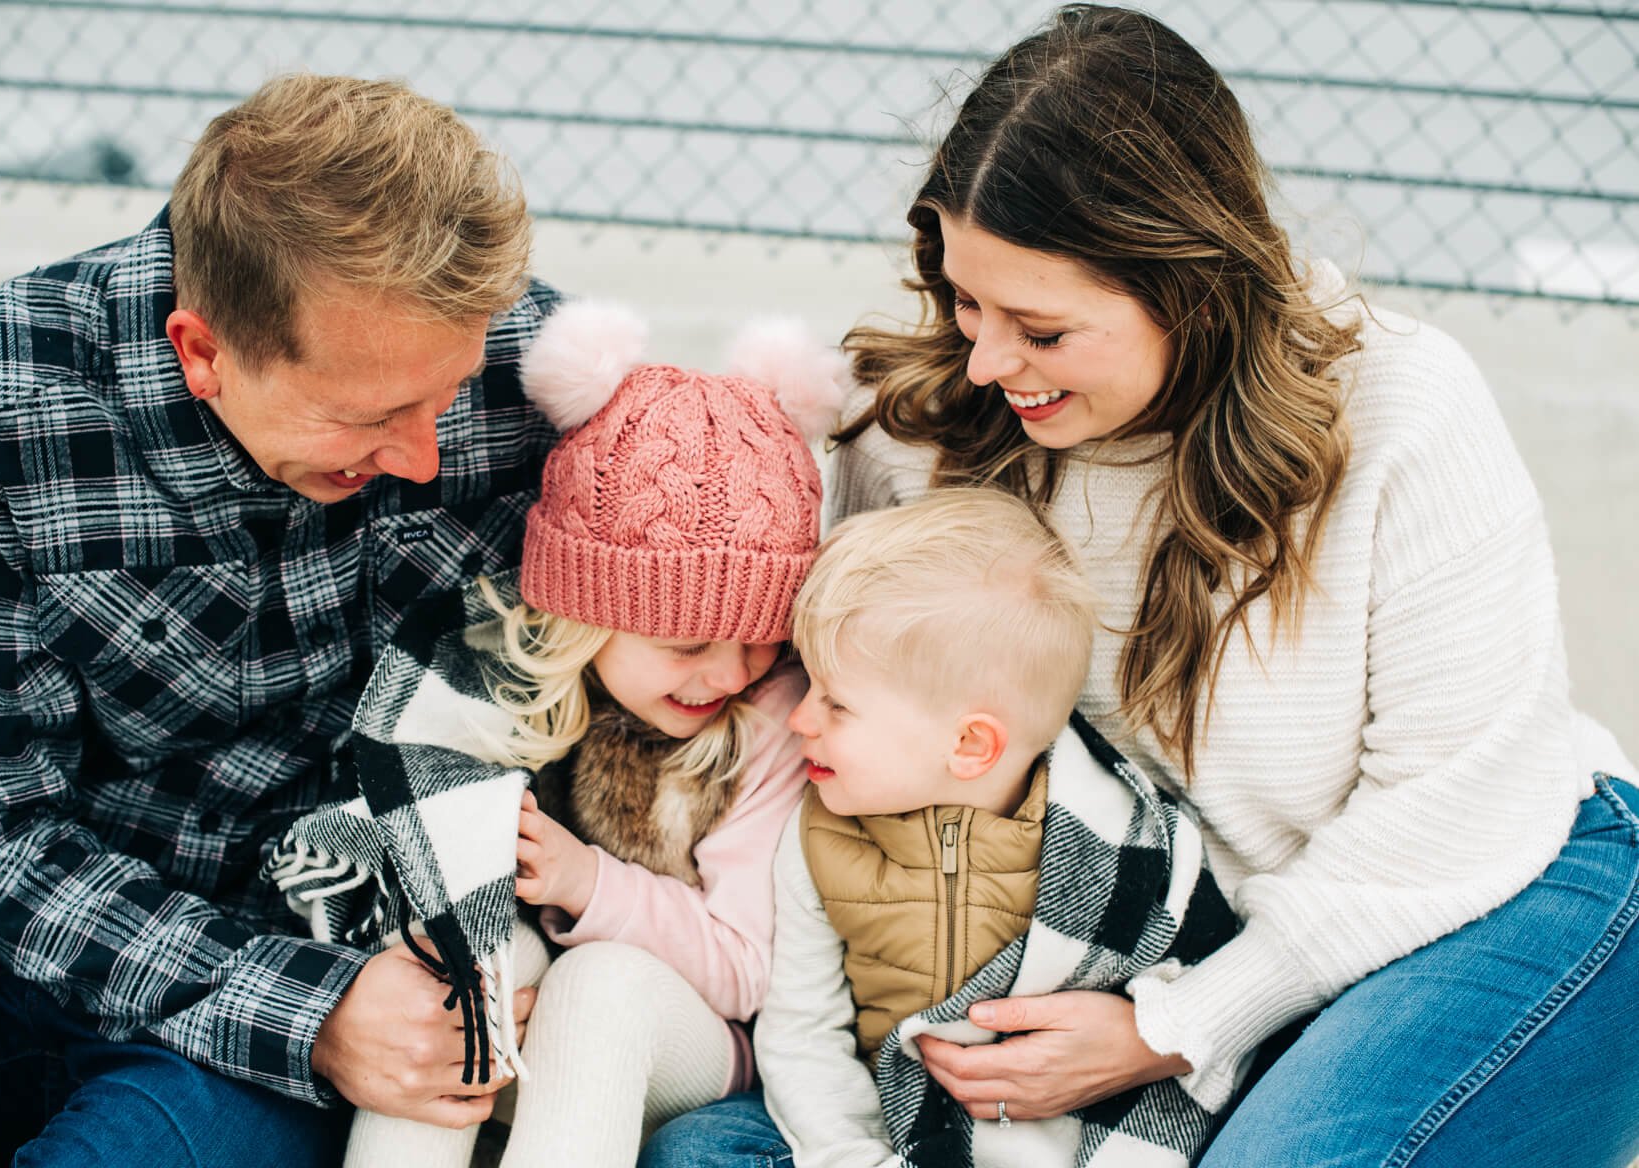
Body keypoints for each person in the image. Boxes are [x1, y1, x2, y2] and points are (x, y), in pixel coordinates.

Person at [643, 6, 1639, 1167]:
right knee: (716, 1154)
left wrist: (1174, 1028)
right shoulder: (924, 432)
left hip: (1489, 887)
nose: (986, 360)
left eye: (1042, 329)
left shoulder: (1400, 410)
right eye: (967, 300)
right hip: (1126, 940)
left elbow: (1451, 808)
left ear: (1191, 291)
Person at [0, 74, 561, 1167]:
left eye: (444, 394)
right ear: (202, 350)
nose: (428, 453)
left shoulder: (533, 375)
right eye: (373, 416)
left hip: (319, 950)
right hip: (8, 932)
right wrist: (311, 1013)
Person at [269, 300, 847, 1168]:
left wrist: (592, 884)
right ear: (587, 616)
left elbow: (747, 968)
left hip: (700, 1041)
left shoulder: (771, 719)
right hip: (542, 1028)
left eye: (761, 636)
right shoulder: (502, 686)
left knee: (600, 984)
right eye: (687, 642)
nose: (731, 673)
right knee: (459, 964)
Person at [754, 487, 1242, 1168]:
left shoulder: (1135, 846)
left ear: (971, 746)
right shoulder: (818, 841)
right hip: (904, 1138)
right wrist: (850, 1155)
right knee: (697, 1150)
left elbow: (1200, 994)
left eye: (836, 703)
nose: (798, 719)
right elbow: (803, 1033)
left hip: (1081, 1144)